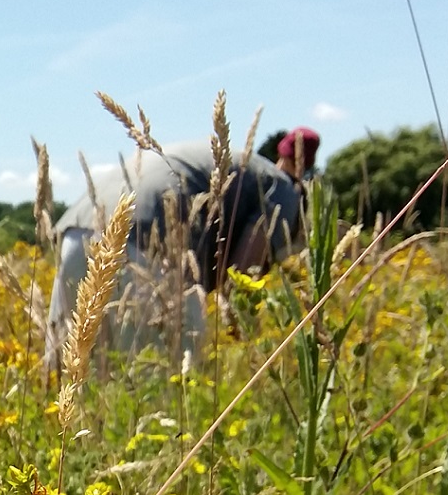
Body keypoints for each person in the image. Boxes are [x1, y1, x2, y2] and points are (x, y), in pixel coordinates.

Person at [44, 134, 309, 371]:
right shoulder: (286, 192)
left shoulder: (249, 166)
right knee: (166, 386)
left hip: (76, 231)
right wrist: (246, 342)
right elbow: (242, 273)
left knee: (74, 381)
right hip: (142, 244)